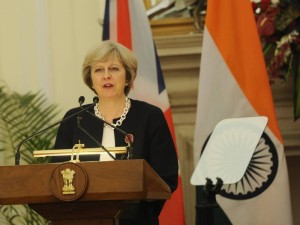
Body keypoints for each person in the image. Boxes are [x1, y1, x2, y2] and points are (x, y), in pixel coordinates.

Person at [52, 40, 178, 225]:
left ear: (127, 77)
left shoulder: (149, 117)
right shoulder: (74, 120)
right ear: (91, 80)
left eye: (114, 69)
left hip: (135, 219)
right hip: (82, 218)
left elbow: (166, 177)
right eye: (98, 70)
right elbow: (57, 174)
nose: (106, 76)